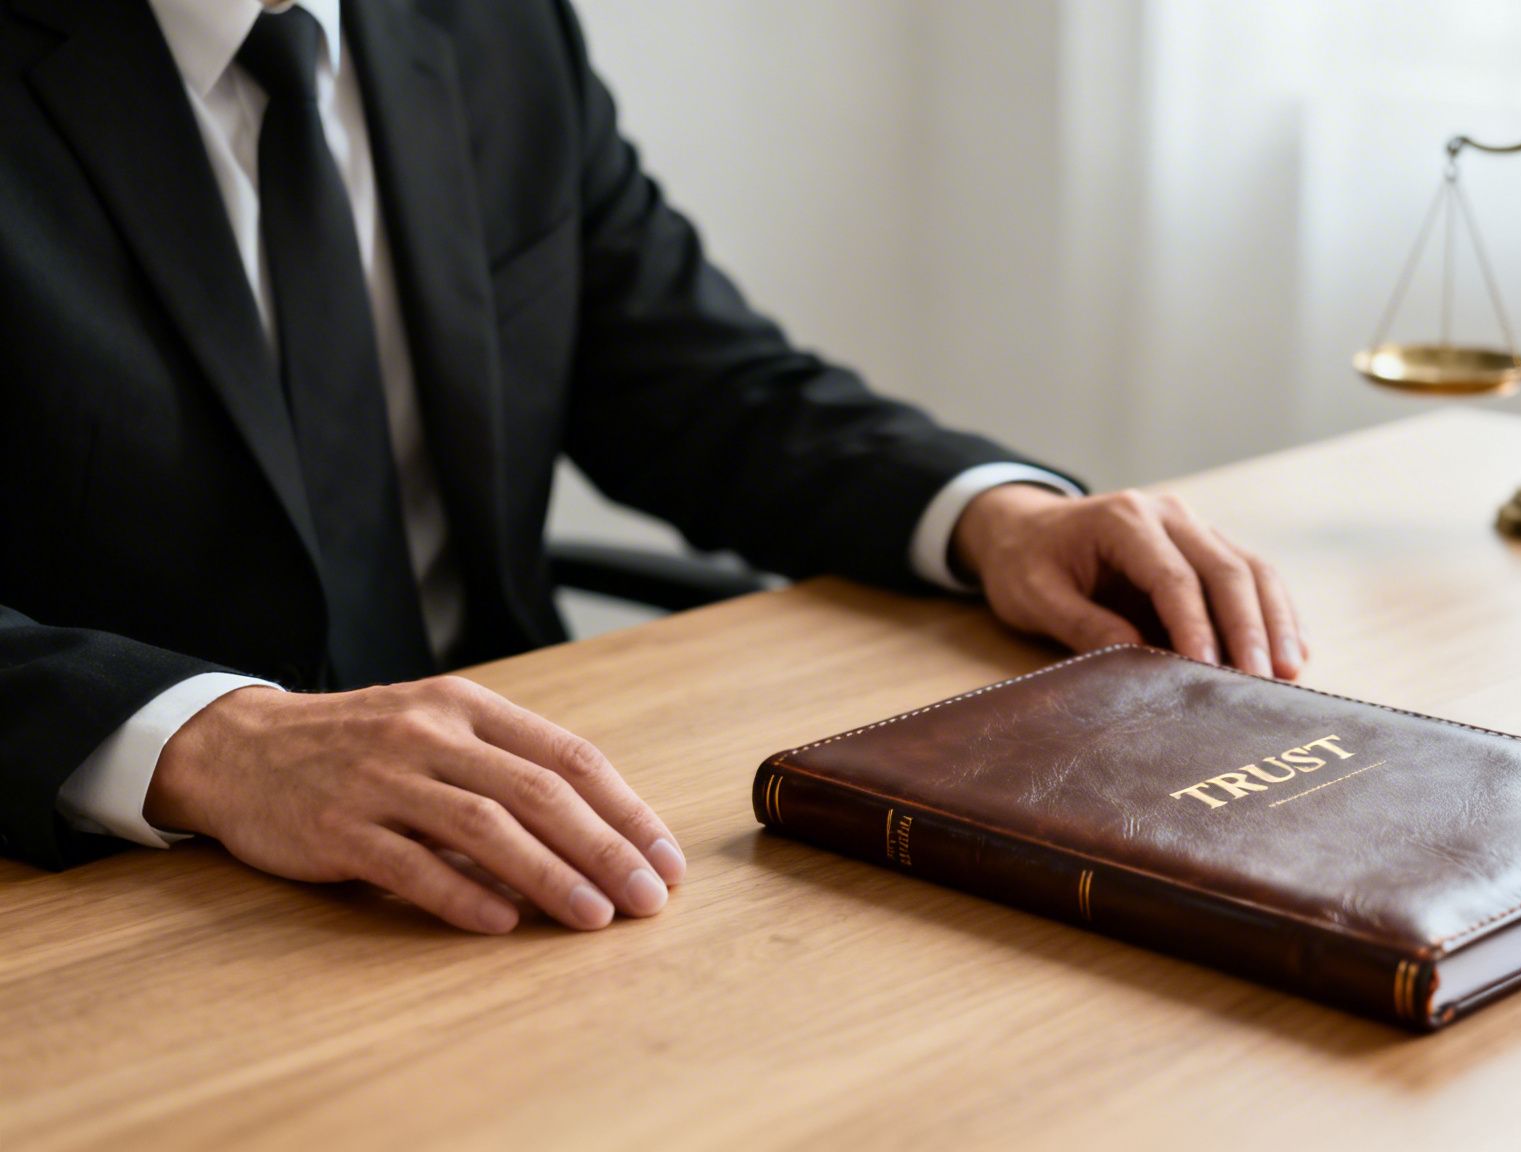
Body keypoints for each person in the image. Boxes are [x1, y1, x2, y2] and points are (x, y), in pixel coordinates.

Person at [0, 0, 1302, 935]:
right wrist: (210, 744)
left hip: (537, 840)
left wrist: (992, 518)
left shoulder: (495, 32)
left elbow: (691, 376)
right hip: (121, 886)